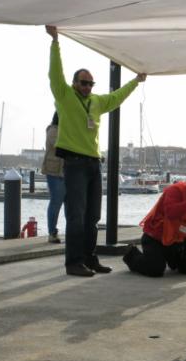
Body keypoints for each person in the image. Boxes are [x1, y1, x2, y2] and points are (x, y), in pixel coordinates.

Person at [46, 25, 146, 277]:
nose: (87, 87)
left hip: (93, 163)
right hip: (74, 163)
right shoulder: (64, 96)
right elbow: (55, 73)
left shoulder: (97, 102)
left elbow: (117, 97)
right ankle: (73, 262)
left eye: (91, 83)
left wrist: (136, 81)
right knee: (76, 216)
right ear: (74, 83)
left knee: (92, 217)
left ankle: (90, 259)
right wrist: (55, 42)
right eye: (83, 83)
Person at [123, 172, 186, 277]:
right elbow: (170, 213)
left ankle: (174, 261)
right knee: (155, 269)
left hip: (181, 240)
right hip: (157, 237)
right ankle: (131, 254)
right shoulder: (175, 190)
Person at [41, 112, 65, 244]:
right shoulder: (53, 131)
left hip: (67, 171)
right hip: (54, 172)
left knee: (69, 204)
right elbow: (60, 146)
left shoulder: (66, 130)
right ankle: (52, 232)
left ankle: (71, 232)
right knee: (56, 202)